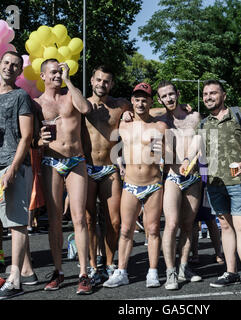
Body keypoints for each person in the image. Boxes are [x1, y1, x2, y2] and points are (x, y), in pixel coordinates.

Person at [182, 79, 241, 295]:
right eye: (205, 94)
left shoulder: (237, 113)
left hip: (238, 181)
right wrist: (188, 159)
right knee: (225, 227)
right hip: (214, 182)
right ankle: (231, 271)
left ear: (223, 95)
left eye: (213, 93)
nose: (208, 97)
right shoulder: (204, 123)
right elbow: (196, 144)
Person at [0, 51, 38, 300]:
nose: (9, 68)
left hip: (14, 166)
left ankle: (14, 281)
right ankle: (25, 272)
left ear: (19, 72)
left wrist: (13, 168)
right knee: (10, 223)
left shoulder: (21, 96)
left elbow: (26, 136)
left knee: (17, 222)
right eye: (6, 63)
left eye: (15, 65)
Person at [34, 58, 92, 294]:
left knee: (79, 218)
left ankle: (84, 273)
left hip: (76, 160)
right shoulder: (37, 104)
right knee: (55, 220)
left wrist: (69, 80)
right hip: (51, 161)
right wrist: (39, 141)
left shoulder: (71, 95)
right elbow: (31, 138)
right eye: (53, 73)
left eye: (60, 72)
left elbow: (86, 108)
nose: (57, 75)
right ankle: (58, 271)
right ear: (43, 76)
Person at [103, 82, 168, 288]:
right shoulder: (124, 124)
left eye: (145, 99)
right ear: (132, 102)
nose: (141, 103)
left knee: (153, 229)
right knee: (125, 230)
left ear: (151, 101)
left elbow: (167, 154)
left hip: (153, 184)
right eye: (137, 99)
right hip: (130, 184)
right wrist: (125, 114)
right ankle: (121, 271)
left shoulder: (159, 126)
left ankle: (152, 271)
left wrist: (163, 149)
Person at [152, 80, 203, 290]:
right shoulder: (161, 119)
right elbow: (138, 108)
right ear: (159, 99)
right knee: (171, 224)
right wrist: (127, 114)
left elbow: (201, 142)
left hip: (193, 177)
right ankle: (170, 271)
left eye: (171, 94)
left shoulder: (195, 117)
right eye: (164, 96)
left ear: (178, 93)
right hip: (172, 176)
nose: (169, 99)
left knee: (189, 225)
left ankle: (183, 267)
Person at [83, 65, 130, 283]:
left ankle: (110, 263)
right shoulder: (81, 105)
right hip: (87, 167)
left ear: (112, 84)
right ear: (92, 80)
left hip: (110, 168)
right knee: (89, 219)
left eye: (107, 81)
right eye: (99, 80)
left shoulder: (120, 105)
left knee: (114, 221)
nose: (102, 84)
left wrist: (178, 109)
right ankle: (93, 265)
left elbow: (146, 110)